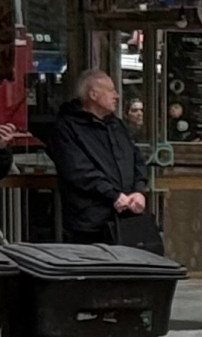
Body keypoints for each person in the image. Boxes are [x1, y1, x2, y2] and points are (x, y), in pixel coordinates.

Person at [43, 69, 148, 244]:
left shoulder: (116, 125)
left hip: (126, 217)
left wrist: (138, 190)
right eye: (111, 90)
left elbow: (136, 159)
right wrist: (113, 195)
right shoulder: (67, 127)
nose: (117, 96)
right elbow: (78, 171)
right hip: (89, 222)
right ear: (93, 94)